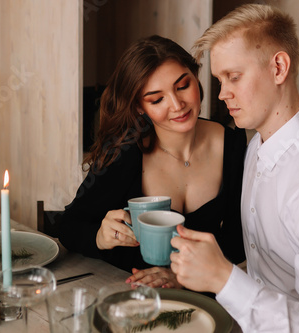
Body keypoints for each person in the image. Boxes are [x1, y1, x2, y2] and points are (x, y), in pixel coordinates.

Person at [170, 4, 299, 332]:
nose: (222, 94)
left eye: (234, 77)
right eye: (220, 80)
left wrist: (224, 278)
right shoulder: (257, 149)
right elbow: (271, 277)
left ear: (278, 67)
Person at [58, 35, 246, 288]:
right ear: (138, 107)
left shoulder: (233, 145)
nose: (177, 105)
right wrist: (99, 237)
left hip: (200, 294)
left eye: (182, 86)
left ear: (195, 77)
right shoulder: (125, 151)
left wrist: (182, 278)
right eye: (156, 99)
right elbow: (68, 226)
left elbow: (239, 241)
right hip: (125, 289)